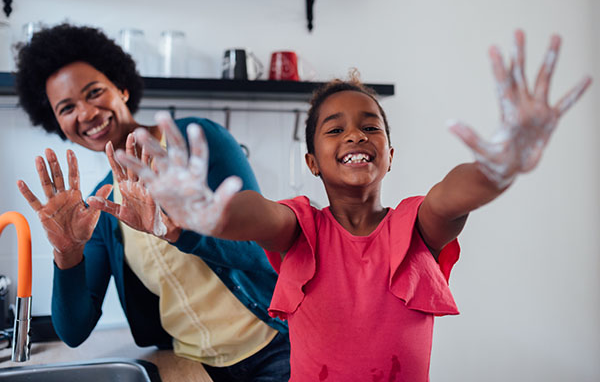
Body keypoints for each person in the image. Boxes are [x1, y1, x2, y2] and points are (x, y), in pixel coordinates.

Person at [117, 29, 591, 381]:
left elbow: (452, 194)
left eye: (371, 126)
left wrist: (500, 167)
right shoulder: (300, 228)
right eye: (335, 129)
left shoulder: (415, 226)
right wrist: (210, 213)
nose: (355, 135)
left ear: (390, 153)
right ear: (313, 161)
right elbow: (256, 214)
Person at [14, 23, 290, 382]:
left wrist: (183, 232)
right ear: (58, 123)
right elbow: (75, 331)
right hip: (192, 366)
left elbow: (262, 253)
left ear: (122, 88)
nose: (85, 113)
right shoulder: (104, 203)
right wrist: (67, 255)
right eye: (67, 108)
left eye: (95, 92)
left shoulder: (196, 143)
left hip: (272, 348)